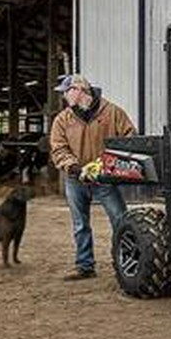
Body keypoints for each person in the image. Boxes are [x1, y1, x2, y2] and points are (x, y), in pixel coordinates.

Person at [49, 74, 136, 280]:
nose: (64, 97)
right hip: (75, 179)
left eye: (66, 92)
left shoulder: (112, 112)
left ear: (79, 91)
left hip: (104, 178)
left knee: (121, 220)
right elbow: (58, 149)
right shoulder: (63, 119)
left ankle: (130, 261)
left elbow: (130, 137)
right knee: (80, 225)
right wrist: (74, 168)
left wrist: (111, 163)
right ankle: (85, 266)